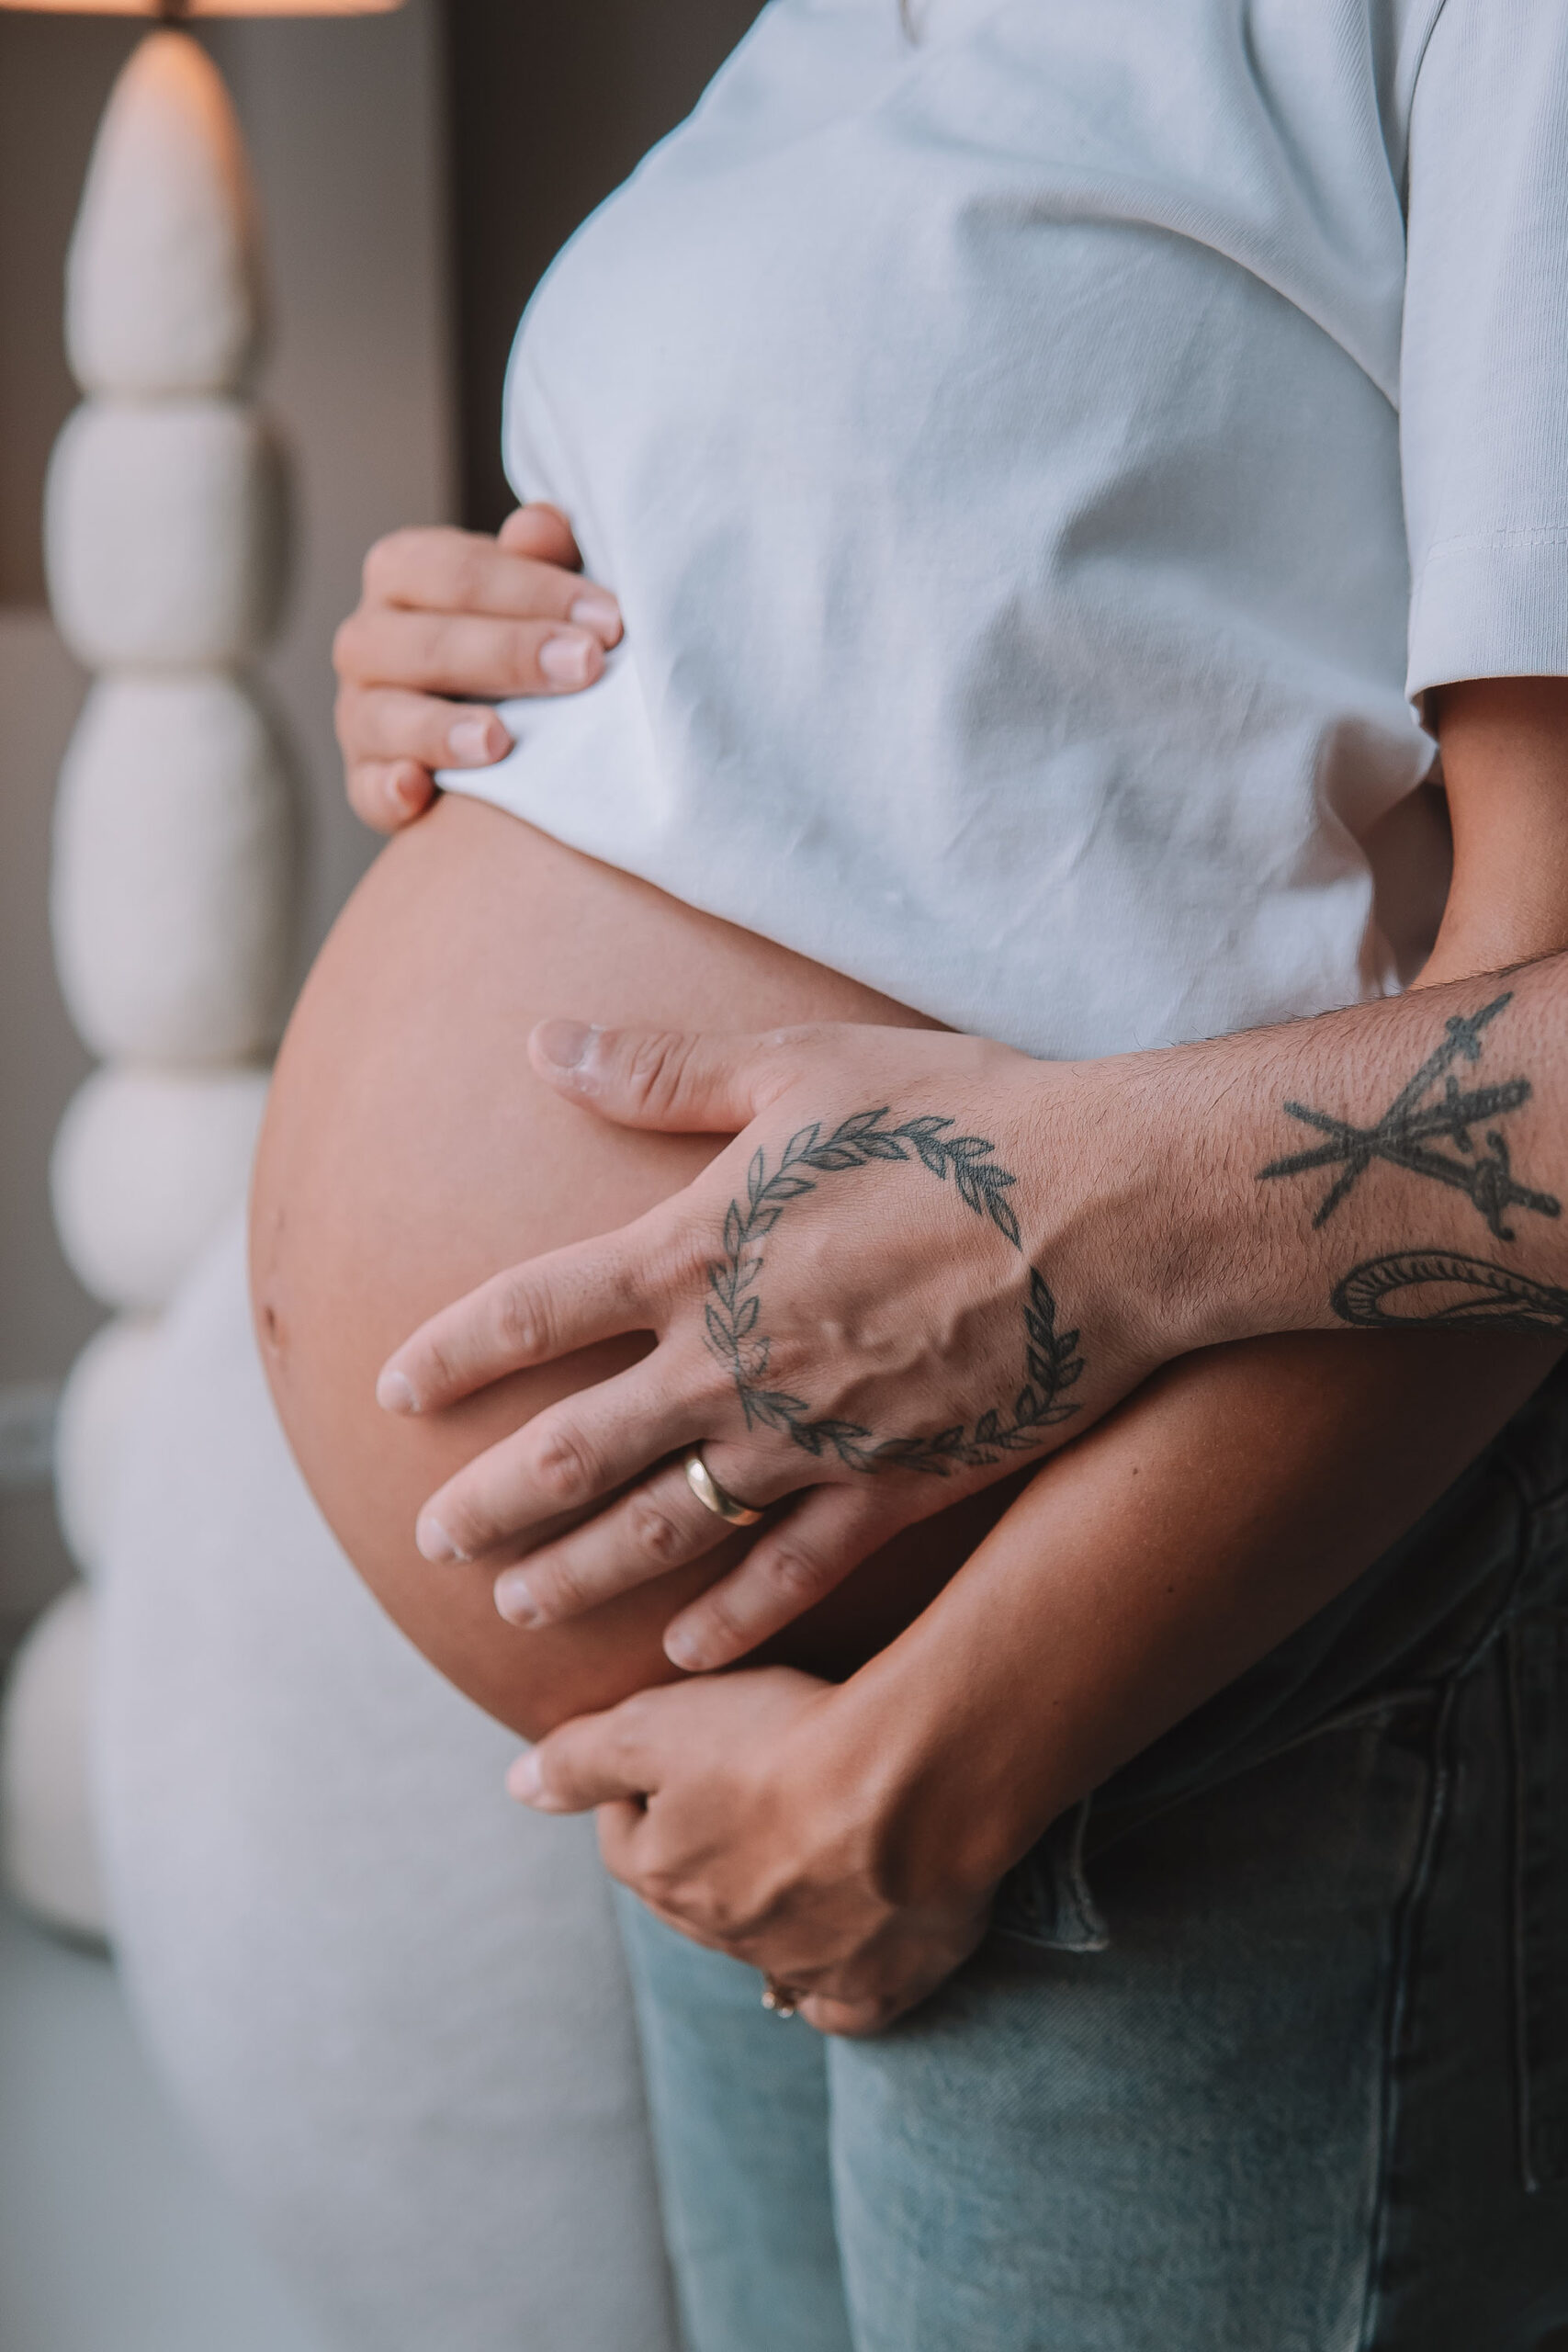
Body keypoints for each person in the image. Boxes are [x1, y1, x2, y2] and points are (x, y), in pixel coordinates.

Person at [253, 1, 1568, 2343]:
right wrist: (474, 655)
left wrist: (946, 1750)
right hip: (738, 1744)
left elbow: (1533, 1016)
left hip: (1122, 1716)